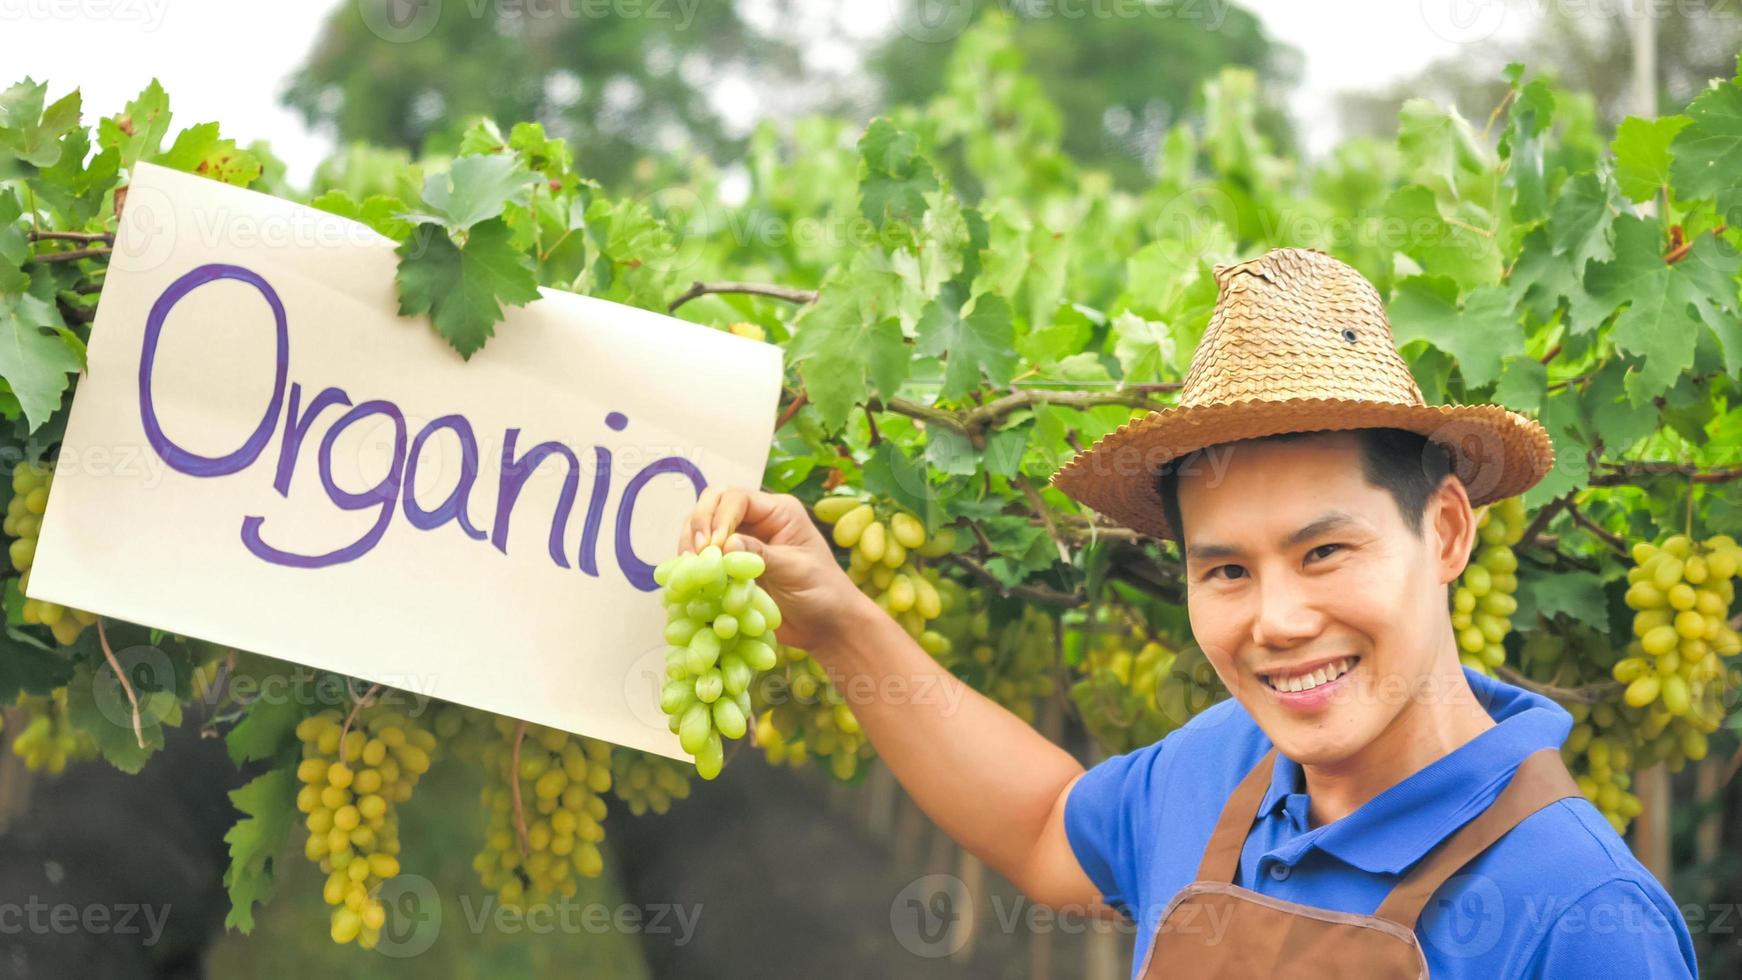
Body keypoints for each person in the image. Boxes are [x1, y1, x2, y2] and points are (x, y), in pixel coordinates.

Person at [677, 248, 1697, 977]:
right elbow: (1041, 824)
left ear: (1441, 532)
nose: (1278, 619)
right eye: (1224, 571)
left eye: (1323, 550)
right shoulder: (1220, 766)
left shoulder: (1581, 915)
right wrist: (843, 621)